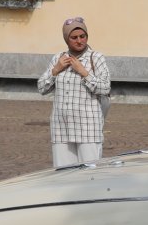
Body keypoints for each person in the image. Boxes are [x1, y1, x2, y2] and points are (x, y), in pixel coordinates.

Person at [37, 16, 110, 169]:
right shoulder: (58, 58)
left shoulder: (96, 58)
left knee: (90, 174)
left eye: (82, 36)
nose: (79, 41)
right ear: (66, 39)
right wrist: (55, 70)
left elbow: (105, 88)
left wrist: (83, 72)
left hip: (88, 128)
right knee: (63, 174)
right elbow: (42, 88)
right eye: (74, 37)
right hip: (61, 129)